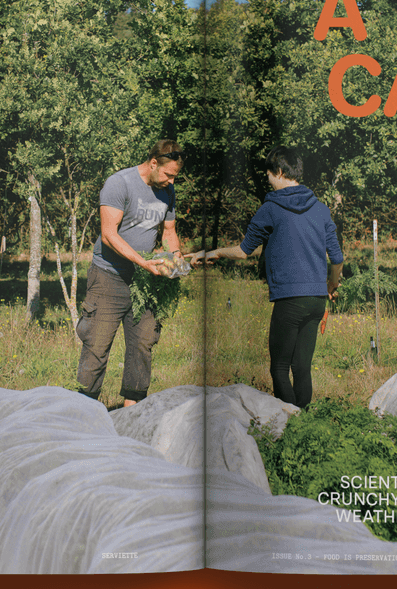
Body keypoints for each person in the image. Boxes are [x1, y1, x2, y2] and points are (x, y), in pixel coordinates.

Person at [193, 148, 342, 410]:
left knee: (280, 367)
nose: (267, 178)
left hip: (289, 299)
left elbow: (242, 251)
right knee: (302, 367)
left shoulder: (271, 208)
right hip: (317, 299)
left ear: (280, 173)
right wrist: (331, 284)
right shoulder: (321, 209)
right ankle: (303, 424)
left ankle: (287, 426)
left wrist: (214, 251)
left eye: (269, 173)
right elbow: (337, 258)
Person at [75, 140, 187, 407]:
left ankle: (132, 415)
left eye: (175, 176)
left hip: (144, 282)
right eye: (168, 174)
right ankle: (83, 413)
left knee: (142, 345)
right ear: (152, 163)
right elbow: (108, 234)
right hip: (108, 277)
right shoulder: (119, 183)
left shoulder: (167, 191)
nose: (171, 182)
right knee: (97, 347)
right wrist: (143, 262)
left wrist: (176, 260)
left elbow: (169, 232)